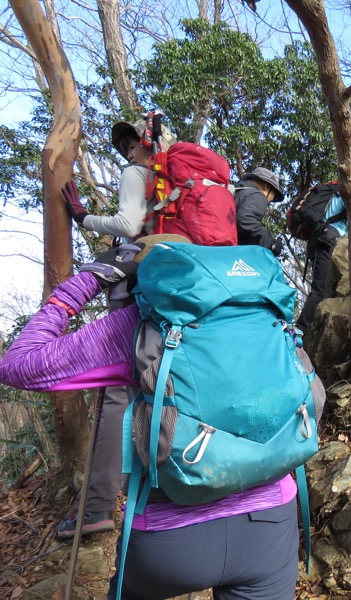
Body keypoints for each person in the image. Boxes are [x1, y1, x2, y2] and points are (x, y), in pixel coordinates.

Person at [0, 239, 302, 599]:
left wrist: (88, 280)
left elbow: (19, 366)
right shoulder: (266, 317)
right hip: (271, 523)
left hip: (170, 538)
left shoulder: (136, 325)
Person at [55, 116, 176, 540]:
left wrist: (85, 218)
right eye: (122, 145)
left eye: (130, 142)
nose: (126, 150)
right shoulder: (177, 181)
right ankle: (163, 491)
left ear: (145, 143)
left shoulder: (136, 173)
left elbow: (127, 225)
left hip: (133, 292)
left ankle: (97, 508)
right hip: (175, 291)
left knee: (115, 394)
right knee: (158, 384)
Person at [295, 184, 351, 333]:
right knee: (319, 291)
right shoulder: (346, 194)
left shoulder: (334, 196)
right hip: (329, 241)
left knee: (325, 290)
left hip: (321, 241)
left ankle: (312, 332)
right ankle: (299, 332)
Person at [234, 167, 285, 255]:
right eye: (272, 197)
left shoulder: (237, 190)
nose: (268, 202)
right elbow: (246, 219)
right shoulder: (258, 196)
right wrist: (271, 243)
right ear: (266, 187)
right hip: (231, 253)